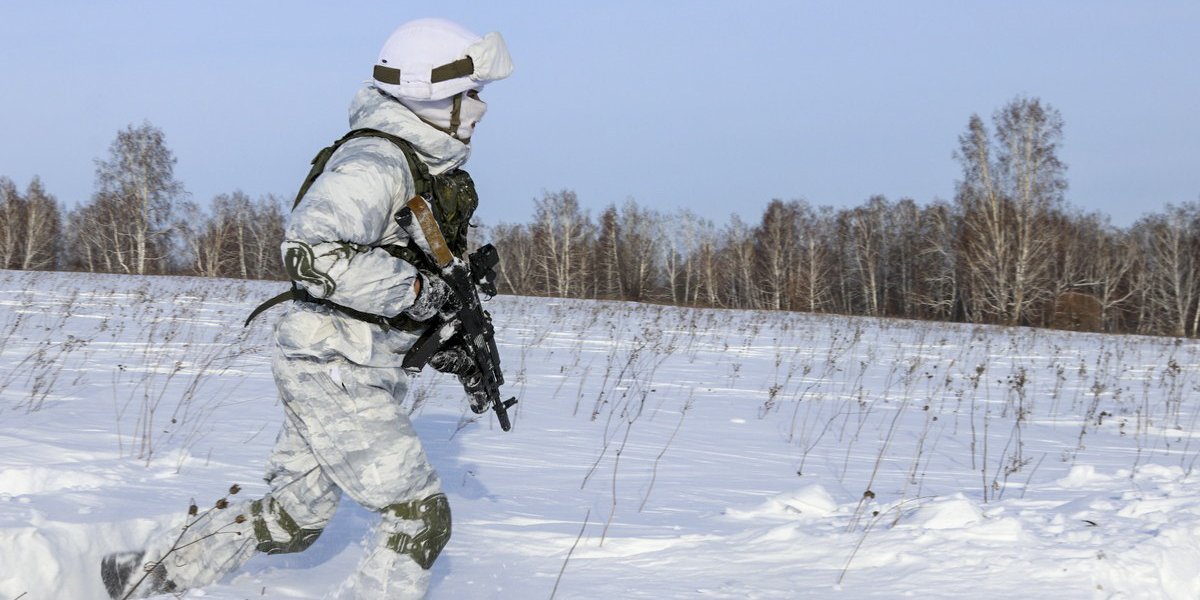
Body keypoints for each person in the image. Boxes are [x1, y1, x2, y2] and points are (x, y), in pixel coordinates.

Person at [101, 17, 513, 599]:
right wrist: (420, 295)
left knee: (292, 520)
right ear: (430, 92)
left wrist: (446, 335)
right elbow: (310, 251)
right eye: (470, 93)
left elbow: (388, 274)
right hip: (333, 364)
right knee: (420, 518)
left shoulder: (417, 166)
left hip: (347, 361)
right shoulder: (376, 163)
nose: (479, 107)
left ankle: (145, 571)